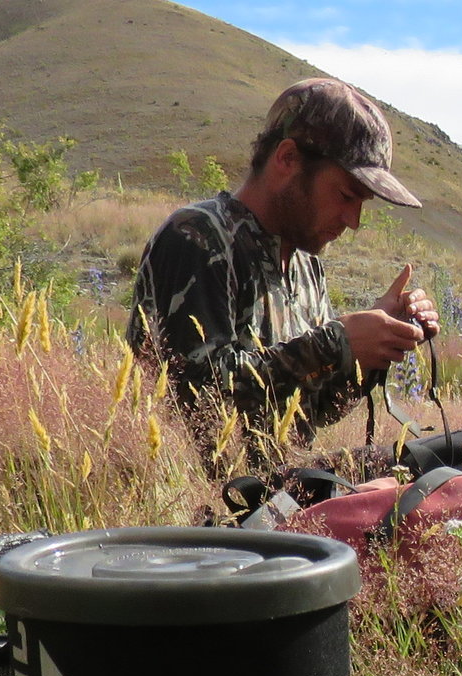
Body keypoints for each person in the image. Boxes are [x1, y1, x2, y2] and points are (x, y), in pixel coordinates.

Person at [127, 77, 441, 469]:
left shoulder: (305, 263)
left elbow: (307, 415)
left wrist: (372, 349)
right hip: (209, 507)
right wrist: (335, 345)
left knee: (450, 458)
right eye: (345, 196)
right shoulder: (198, 237)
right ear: (288, 159)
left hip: (277, 490)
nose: (354, 220)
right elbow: (196, 405)